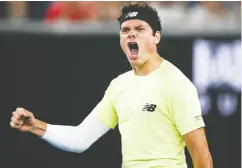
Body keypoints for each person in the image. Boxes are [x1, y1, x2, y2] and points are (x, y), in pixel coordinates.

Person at [10, 3, 213, 168]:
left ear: (156, 37)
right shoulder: (119, 86)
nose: (131, 34)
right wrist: (35, 125)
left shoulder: (176, 83)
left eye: (140, 29)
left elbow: (201, 153)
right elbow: (80, 139)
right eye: (125, 30)